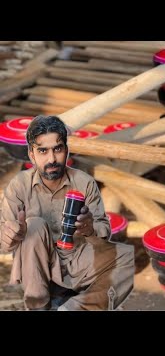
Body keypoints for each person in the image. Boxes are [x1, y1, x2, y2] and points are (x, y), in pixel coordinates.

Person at [0, 115, 135, 311]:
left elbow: (104, 230)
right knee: (34, 226)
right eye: (43, 151)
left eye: (58, 149)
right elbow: (3, 242)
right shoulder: (19, 186)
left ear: (66, 149)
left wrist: (90, 228)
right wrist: (11, 235)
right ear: (31, 154)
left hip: (76, 257)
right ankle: (37, 305)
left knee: (125, 256)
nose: (52, 159)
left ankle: (73, 308)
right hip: (39, 264)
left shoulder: (84, 182)